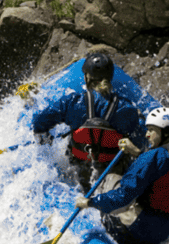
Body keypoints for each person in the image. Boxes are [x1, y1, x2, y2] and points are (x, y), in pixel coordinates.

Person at [76, 107, 169, 244]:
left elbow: (123, 196)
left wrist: (90, 202)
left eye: (151, 130)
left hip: (132, 231)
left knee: (111, 177)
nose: (147, 134)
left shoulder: (155, 155)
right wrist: (138, 154)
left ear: (165, 132)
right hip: (156, 237)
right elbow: (160, 175)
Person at [28, 52, 145, 190]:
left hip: (78, 168)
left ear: (86, 77)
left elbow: (39, 122)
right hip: (111, 170)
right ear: (110, 77)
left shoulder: (72, 102)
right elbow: (140, 141)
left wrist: (46, 137)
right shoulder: (126, 108)